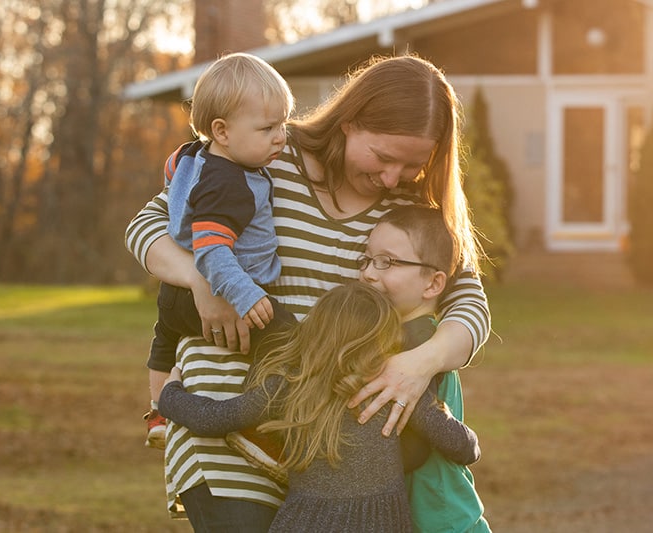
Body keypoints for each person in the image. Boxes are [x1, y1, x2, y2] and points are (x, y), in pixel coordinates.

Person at [125, 53, 491, 530]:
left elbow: (470, 301)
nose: (392, 177)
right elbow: (147, 225)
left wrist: (418, 364)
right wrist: (204, 277)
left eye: (412, 164)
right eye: (382, 157)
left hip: (330, 456)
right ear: (349, 121)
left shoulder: (409, 204)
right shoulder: (266, 152)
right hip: (227, 418)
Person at [158, 282, 481, 533]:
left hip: (301, 522)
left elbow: (213, 418)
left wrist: (170, 393)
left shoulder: (290, 385)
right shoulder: (389, 389)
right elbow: (463, 449)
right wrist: (447, 416)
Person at [143, 52, 296, 449]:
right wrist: (244, 295)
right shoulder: (232, 186)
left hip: (174, 294)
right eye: (266, 128)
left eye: (282, 123)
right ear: (222, 131)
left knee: (163, 342)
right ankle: (255, 423)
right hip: (221, 289)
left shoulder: (191, 155)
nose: (280, 136)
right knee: (288, 340)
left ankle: (158, 413)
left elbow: (171, 172)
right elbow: (212, 249)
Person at [359, 205, 490, 532]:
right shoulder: (407, 337)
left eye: (387, 262)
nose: (369, 274)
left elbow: (416, 447)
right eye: (367, 259)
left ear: (433, 284)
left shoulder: (418, 342)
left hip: (440, 518)